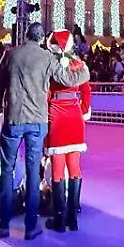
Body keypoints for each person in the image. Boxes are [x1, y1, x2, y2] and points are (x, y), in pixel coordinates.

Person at [0, 22, 90, 240]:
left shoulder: (10, 54)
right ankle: (31, 226)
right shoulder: (47, 58)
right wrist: (84, 68)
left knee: (7, 170)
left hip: (14, 119)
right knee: (34, 172)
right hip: (38, 121)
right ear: (41, 37)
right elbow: (68, 79)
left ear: (25, 35)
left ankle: (3, 224)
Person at [41, 30, 92, 233]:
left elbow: (46, 93)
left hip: (56, 115)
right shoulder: (79, 64)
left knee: (57, 168)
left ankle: (59, 218)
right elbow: (86, 90)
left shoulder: (49, 65)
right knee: (75, 168)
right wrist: (83, 110)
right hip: (75, 116)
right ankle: (73, 217)